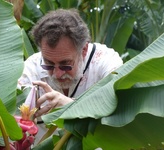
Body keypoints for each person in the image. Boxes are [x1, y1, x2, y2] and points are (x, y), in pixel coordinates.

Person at [17, 8, 123, 145]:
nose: (57, 74)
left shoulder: (105, 62)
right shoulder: (31, 69)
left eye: (65, 64)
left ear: (84, 50)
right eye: (49, 64)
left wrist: (71, 106)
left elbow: (121, 114)